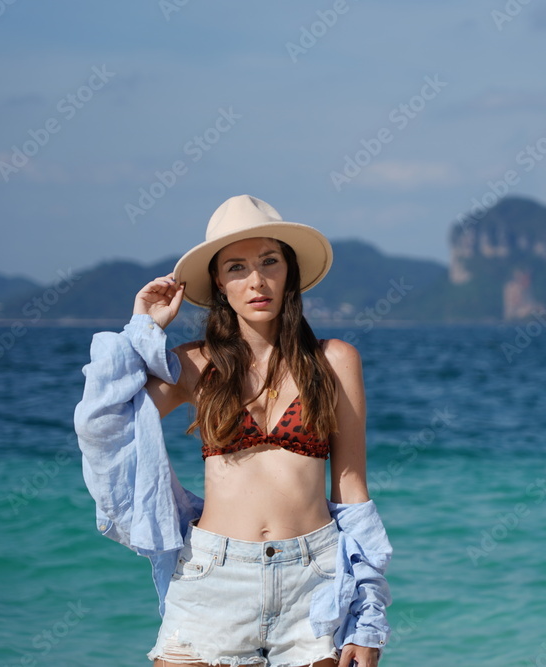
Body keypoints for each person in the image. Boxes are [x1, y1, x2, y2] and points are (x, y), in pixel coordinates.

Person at [74, 194, 392, 667]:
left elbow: (351, 490)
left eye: (270, 262)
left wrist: (369, 615)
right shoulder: (194, 365)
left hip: (315, 580)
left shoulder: (335, 362)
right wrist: (141, 327)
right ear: (220, 284)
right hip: (213, 579)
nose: (257, 281)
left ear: (290, 273)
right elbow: (102, 422)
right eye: (237, 268)